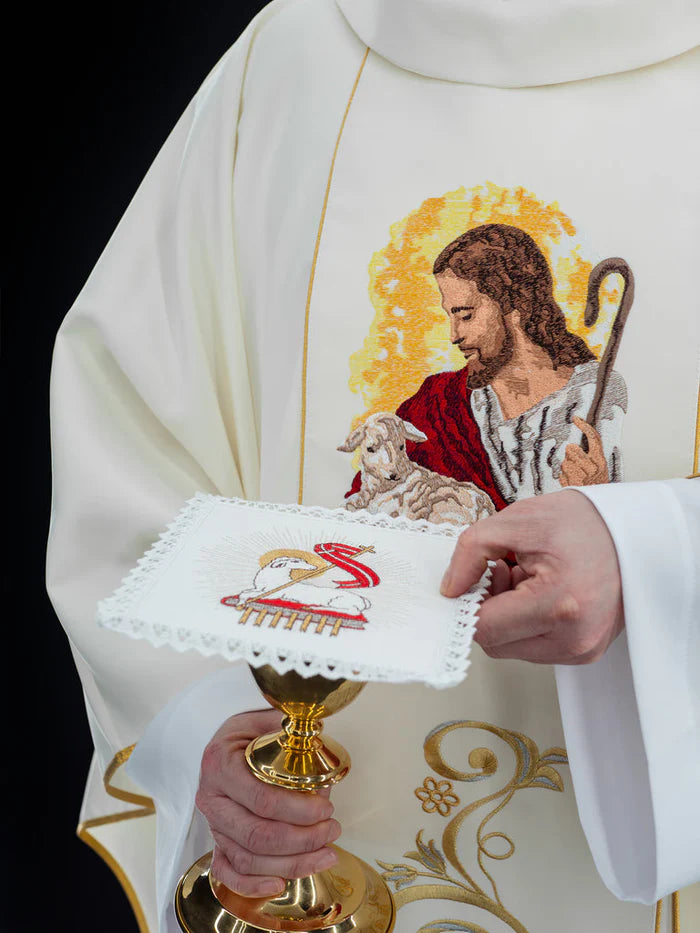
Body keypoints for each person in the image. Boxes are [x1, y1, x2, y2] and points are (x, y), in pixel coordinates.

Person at [47, 1, 700, 931]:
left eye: (467, 313)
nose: (455, 333)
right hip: (315, 869)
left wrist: (650, 553)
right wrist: (198, 723)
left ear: (516, 303)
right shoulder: (294, 63)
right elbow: (129, 428)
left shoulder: (591, 398)